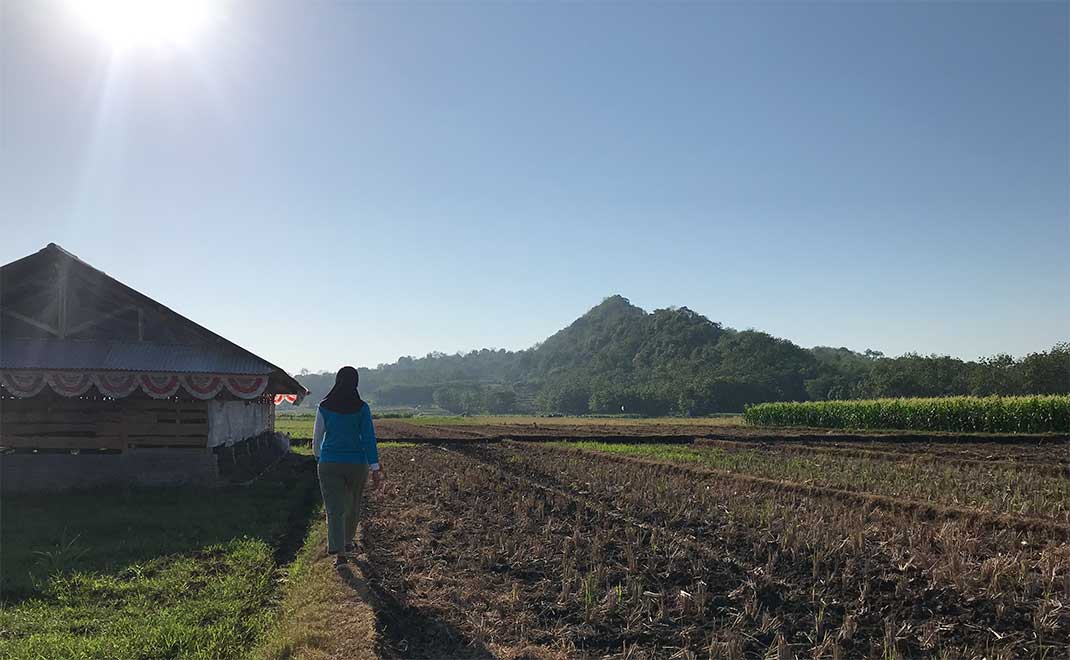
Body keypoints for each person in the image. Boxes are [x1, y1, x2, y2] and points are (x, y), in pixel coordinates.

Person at [312, 365, 384, 566]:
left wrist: (320, 458)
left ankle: (339, 554)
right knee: (352, 505)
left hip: (330, 464)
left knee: (334, 508)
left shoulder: (324, 407)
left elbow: (317, 438)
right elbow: (369, 438)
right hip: (356, 464)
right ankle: (347, 541)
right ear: (356, 383)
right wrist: (375, 467)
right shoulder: (362, 408)